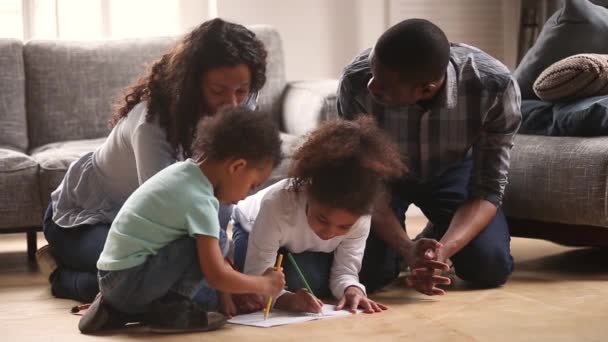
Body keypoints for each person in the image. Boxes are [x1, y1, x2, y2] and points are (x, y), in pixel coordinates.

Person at [36, 18, 268, 303]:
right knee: (176, 290)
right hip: (86, 221)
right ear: (192, 85)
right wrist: (227, 276)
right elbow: (172, 214)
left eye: (242, 91)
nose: (232, 104)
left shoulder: (242, 105)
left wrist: (228, 270)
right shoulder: (152, 125)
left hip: (149, 228)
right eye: (218, 91)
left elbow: (222, 193)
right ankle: (65, 277)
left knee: (199, 283)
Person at [337, 18, 522, 295]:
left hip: (452, 169)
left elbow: (488, 188)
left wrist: (441, 254)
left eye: (384, 84)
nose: (372, 86)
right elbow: (362, 183)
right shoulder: (356, 79)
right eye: (373, 73)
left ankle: (436, 236)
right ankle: (407, 247)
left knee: (489, 267)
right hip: (383, 178)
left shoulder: (495, 86)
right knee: (368, 274)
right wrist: (407, 249)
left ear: (427, 88)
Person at [78, 107, 285, 334]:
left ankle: (116, 310)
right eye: (252, 185)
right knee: (215, 242)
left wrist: (225, 293)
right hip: (128, 282)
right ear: (237, 166)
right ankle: (171, 312)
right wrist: (264, 284)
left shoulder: (182, 172)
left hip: (111, 280)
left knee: (213, 246)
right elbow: (216, 276)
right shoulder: (200, 201)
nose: (247, 195)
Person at [232, 116, 405, 314]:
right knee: (257, 291)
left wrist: (352, 289)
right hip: (250, 225)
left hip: (300, 246)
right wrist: (288, 300)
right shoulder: (277, 205)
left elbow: (346, 272)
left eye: (344, 227)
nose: (330, 233)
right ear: (308, 192)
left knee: (313, 280)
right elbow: (257, 278)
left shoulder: (360, 215)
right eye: (322, 219)